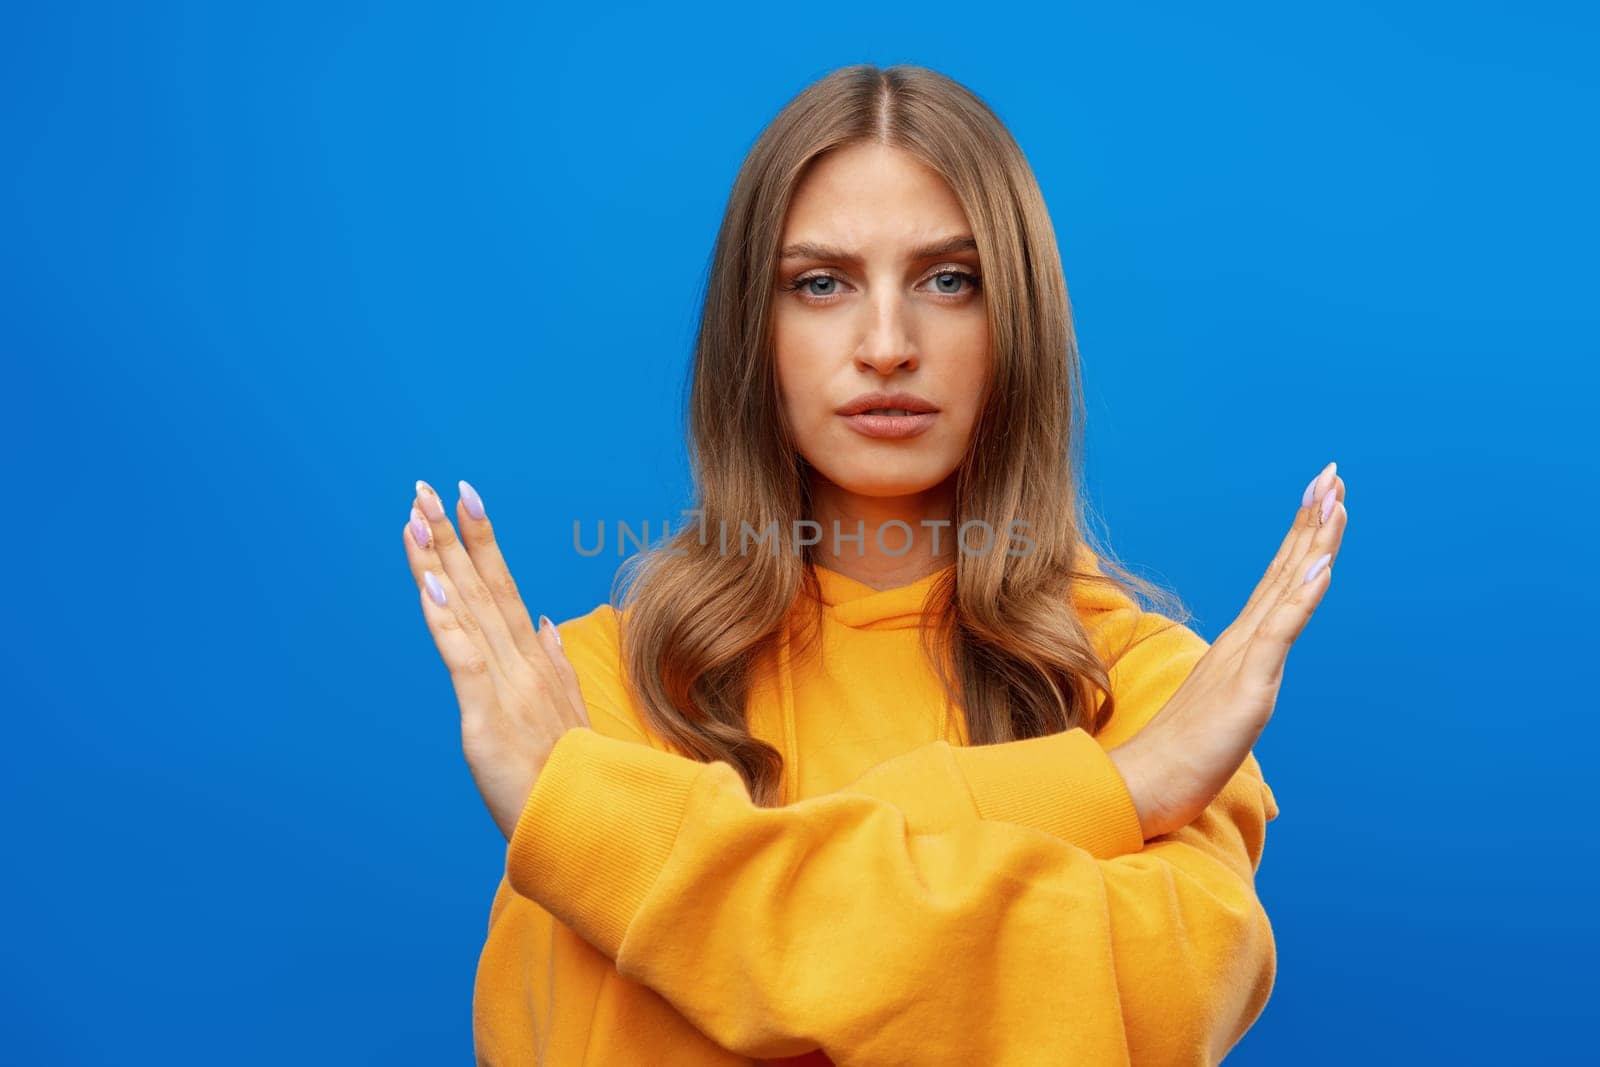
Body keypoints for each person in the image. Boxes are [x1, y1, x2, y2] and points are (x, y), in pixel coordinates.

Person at [400, 63, 1347, 1066]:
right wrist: (1111, 791)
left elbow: (1148, 1013)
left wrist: (617, 845)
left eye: (949, 279)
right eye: (821, 283)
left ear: (1016, 318)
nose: (887, 344)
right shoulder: (597, 684)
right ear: (751, 333)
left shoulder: (1168, 691)